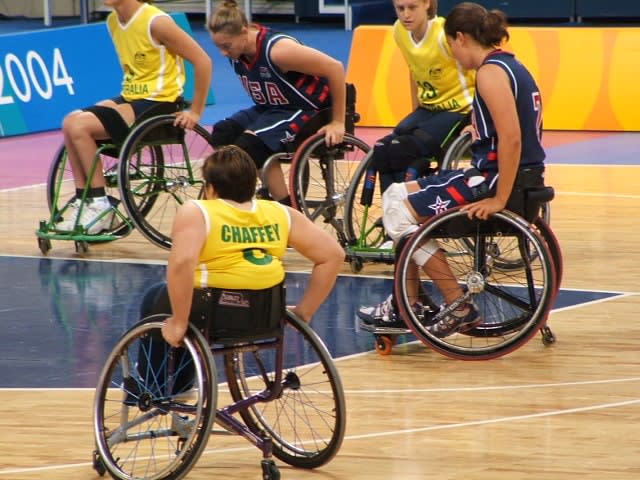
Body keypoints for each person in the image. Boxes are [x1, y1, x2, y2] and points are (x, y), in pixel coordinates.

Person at [357, 1, 546, 338]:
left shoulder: (489, 73)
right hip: (504, 175)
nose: (453, 56)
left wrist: (499, 198)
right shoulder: (515, 66)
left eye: (451, 47)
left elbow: (512, 139)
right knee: (395, 195)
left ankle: (456, 303)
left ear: (460, 38)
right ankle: (408, 303)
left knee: (399, 215)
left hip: (495, 181)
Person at [134, 145, 344, 348]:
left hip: (216, 311)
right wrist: (304, 311)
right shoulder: (281, 212)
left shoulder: (198, 211)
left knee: (155, 297)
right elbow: (333, 255)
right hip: (266, 312)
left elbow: (182, 263)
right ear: (252, 185)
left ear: (211, 189)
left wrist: (179, 322)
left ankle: (159, 382)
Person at [56, 0, 212, 234]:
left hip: (160, 102)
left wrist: (196, 111)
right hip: (131, 97)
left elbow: (203, 61)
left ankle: (100, 205)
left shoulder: (156, 22)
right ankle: (85, 199)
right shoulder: (112, 21)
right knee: (70, 121)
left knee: (80, 126)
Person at [206, 0, 346, 205]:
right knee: (223, 132)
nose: (223, 53)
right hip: (271, 108)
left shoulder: (278, 51)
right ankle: (261, 195)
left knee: (248, 147)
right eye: (218, 47)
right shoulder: (238, 51)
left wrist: (338, 122)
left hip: (305, 107)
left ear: (244, 32)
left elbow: (335, 67)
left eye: (226, 46)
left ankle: (286, 209)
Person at [370, 0, 475, 197]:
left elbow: (477, 68)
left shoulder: (444, 34)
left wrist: (477, 117)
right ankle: (392, 209)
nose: (405, 15)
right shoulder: (399, 32)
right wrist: (415, 112)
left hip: (459, 109)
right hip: (428, 109)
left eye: (412, 8)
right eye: (400, 9)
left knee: (404, 149)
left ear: (427, 4)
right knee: (384, 149)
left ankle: (414, 205)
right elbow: (414, 69)